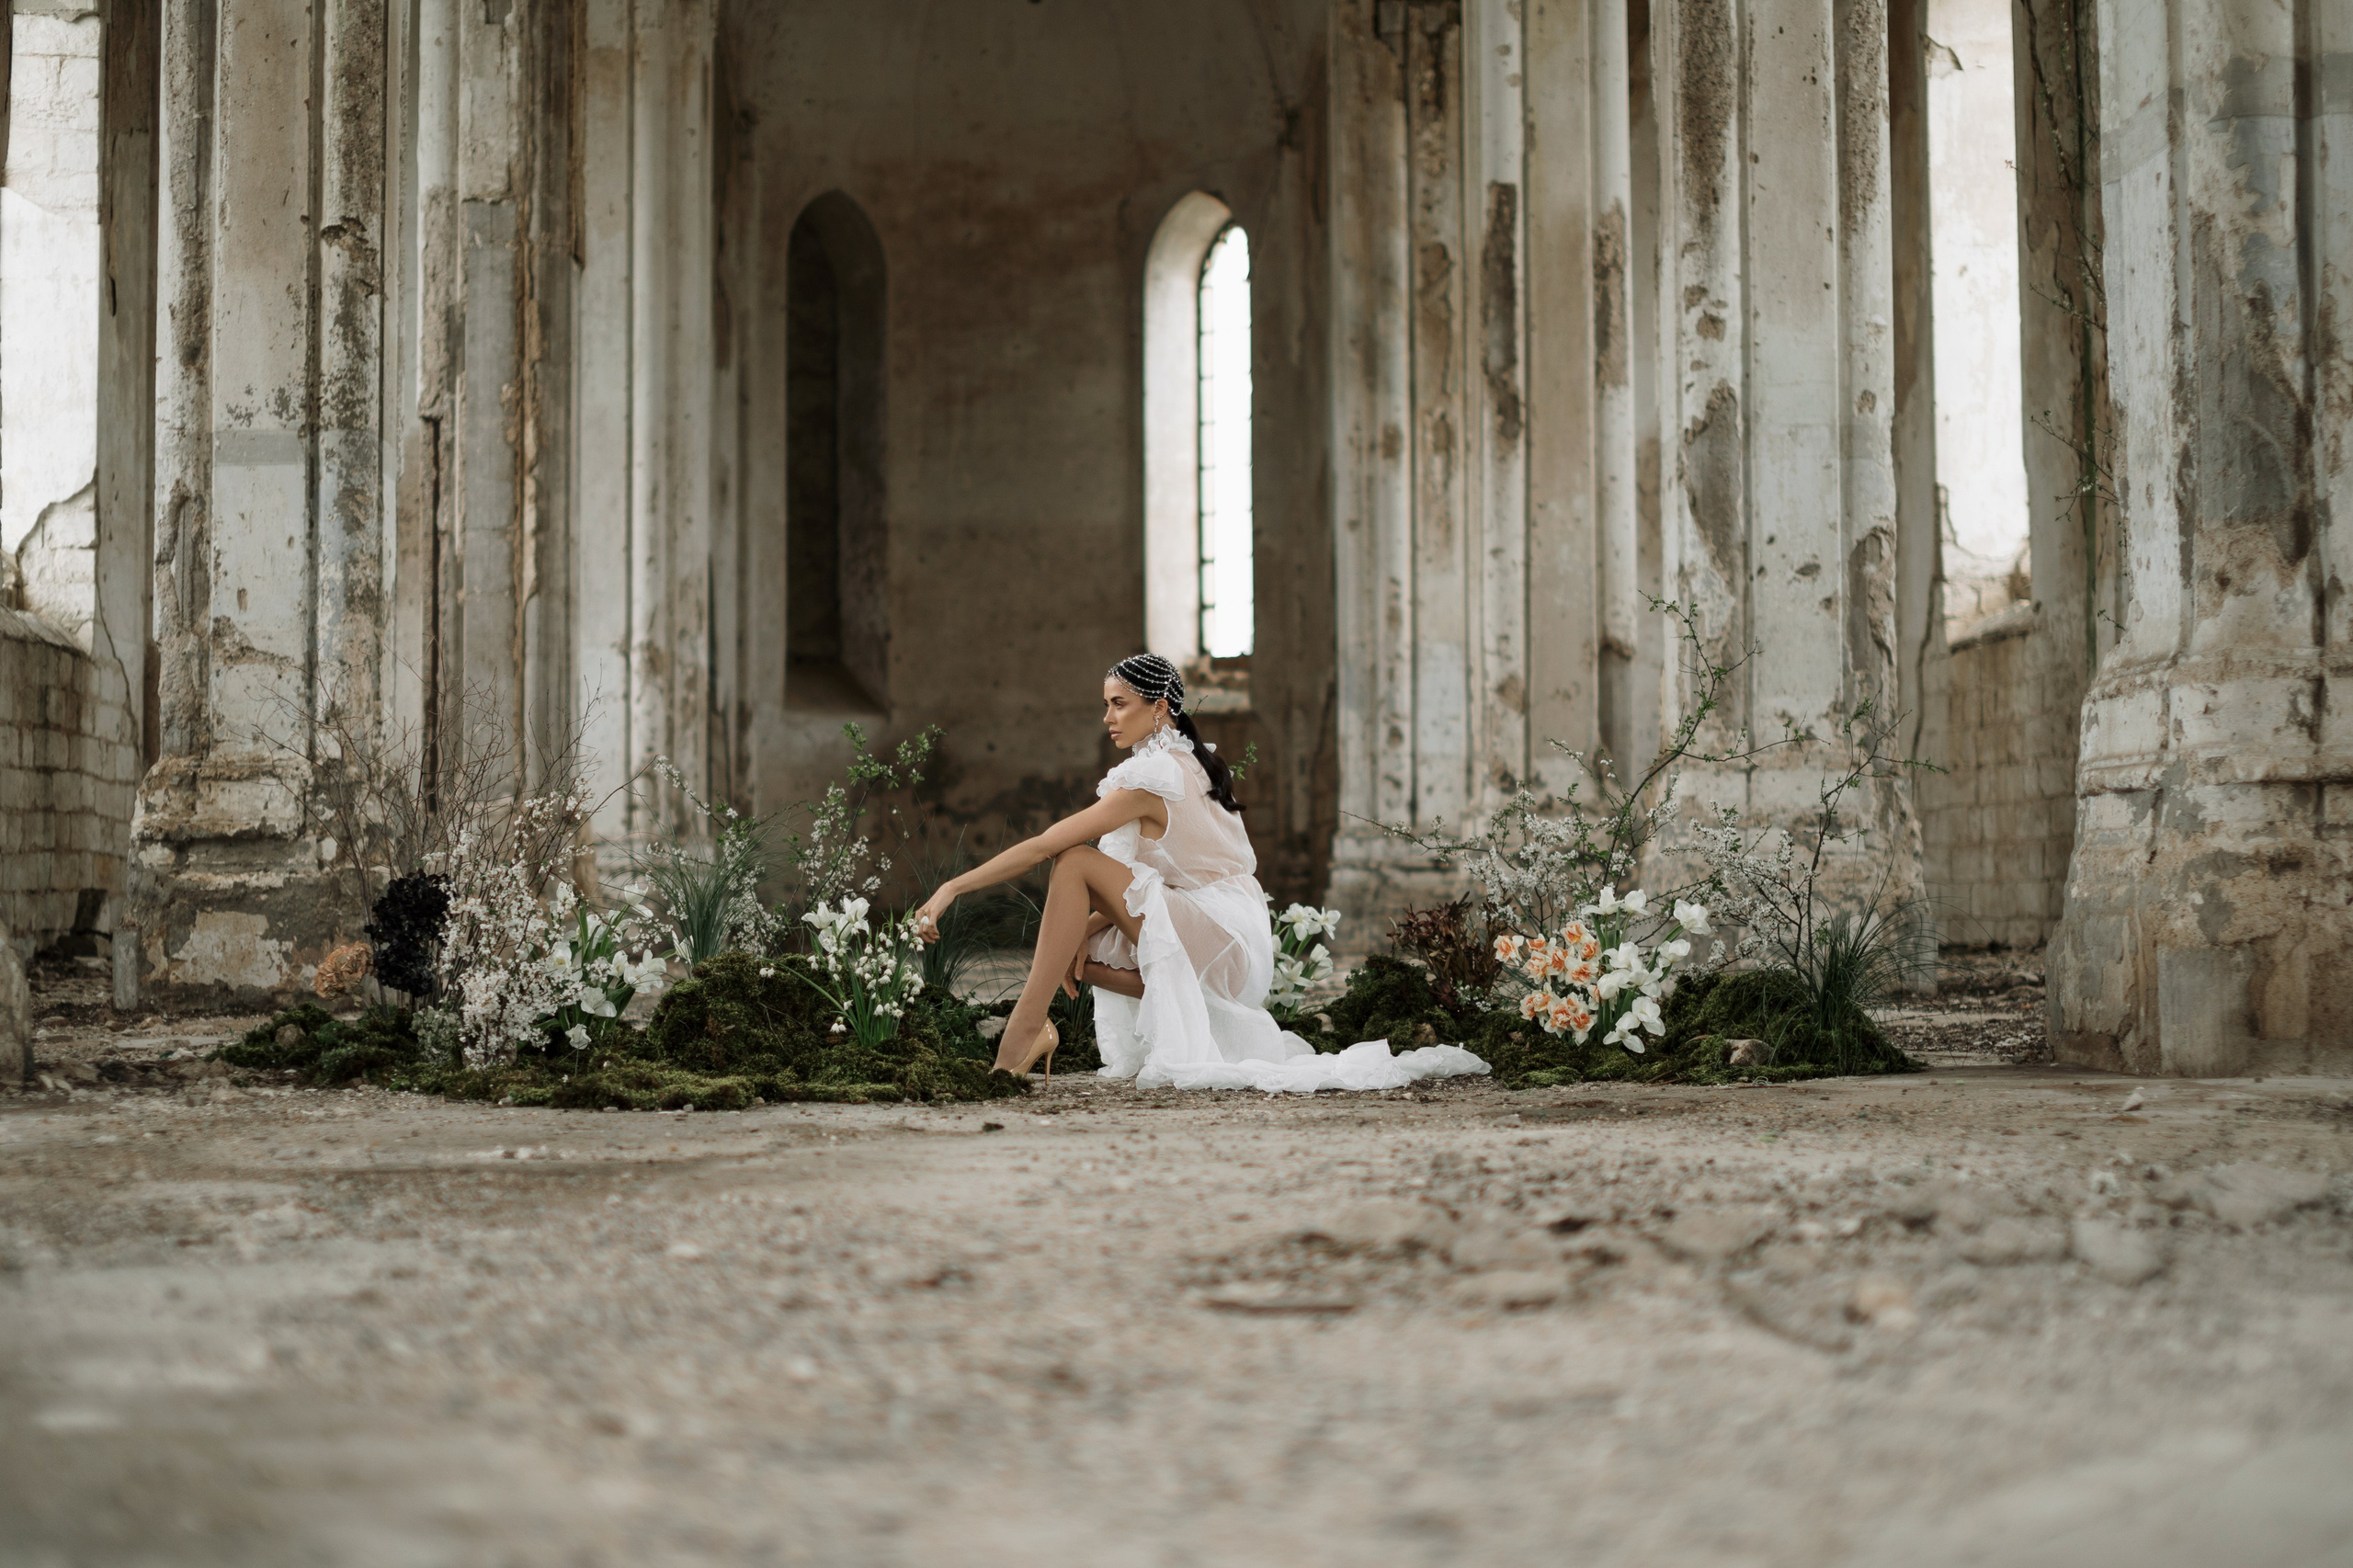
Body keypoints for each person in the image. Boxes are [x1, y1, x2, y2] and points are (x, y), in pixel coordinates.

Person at [913, 654, 1487, 1093]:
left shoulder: (1153, 778)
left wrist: (951, 888)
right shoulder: (1182, 762)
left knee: (1074, 862)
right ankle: (1041, 1021)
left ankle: (1023, 1032)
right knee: (1074, 926)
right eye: (1106, 704)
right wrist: (1079, 936)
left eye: (1119, 704)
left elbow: (1046, 845)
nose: (1107, 717)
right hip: (1230, 937)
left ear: (1159, 707)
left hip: (1219, 936)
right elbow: (1142, 885)